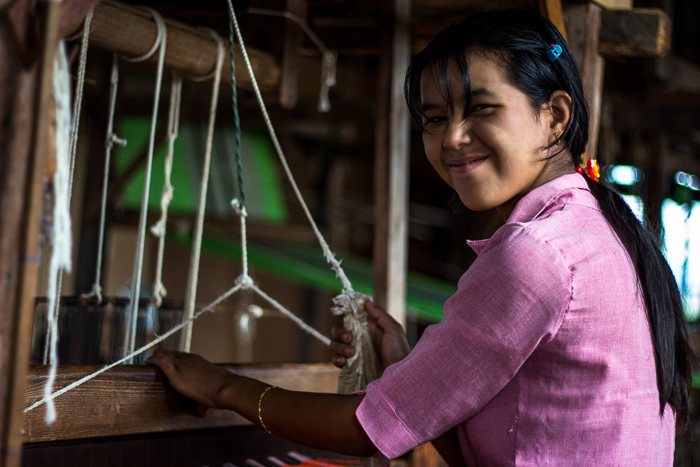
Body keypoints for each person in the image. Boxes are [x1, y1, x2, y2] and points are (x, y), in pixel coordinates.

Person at [148, 9, 694, 466]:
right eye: (434, 118)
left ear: (553, 116)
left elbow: (367, 431)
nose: (452, 139)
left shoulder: (538, 254)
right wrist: (407, 368)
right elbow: (511, 447)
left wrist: (223, 388)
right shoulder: (601, 230)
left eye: (481, 108)